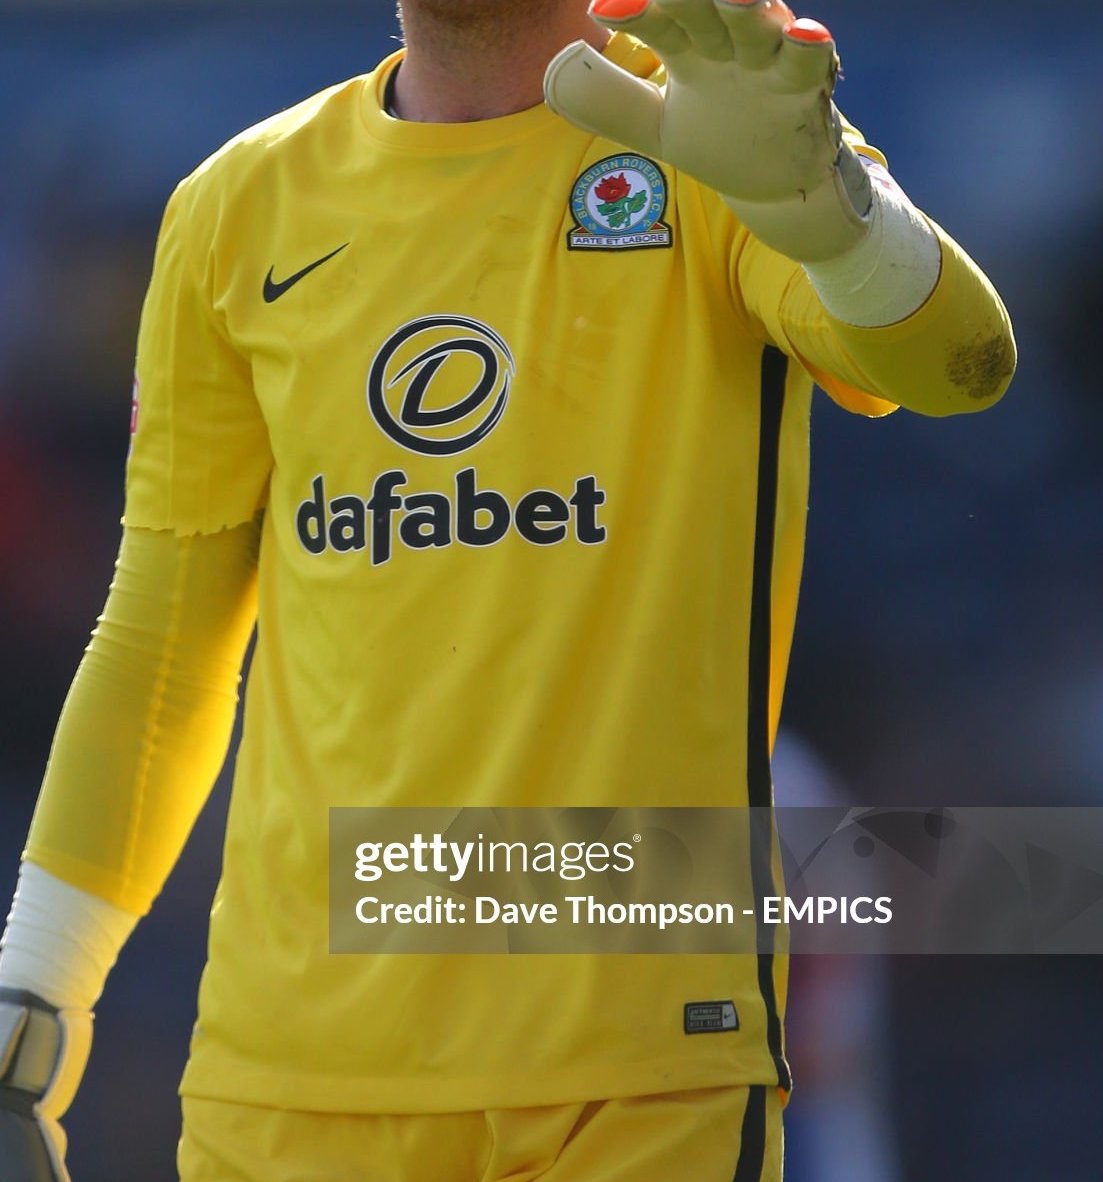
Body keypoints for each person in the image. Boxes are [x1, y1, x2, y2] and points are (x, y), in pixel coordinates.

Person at [0, 1, 1015, 1179]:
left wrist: (824, 211)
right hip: (281, 1086)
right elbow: (162, 641)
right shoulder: (237, 203)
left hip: (632, 1086)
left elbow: (957, 365)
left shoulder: (712, 141)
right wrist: (35, 988)